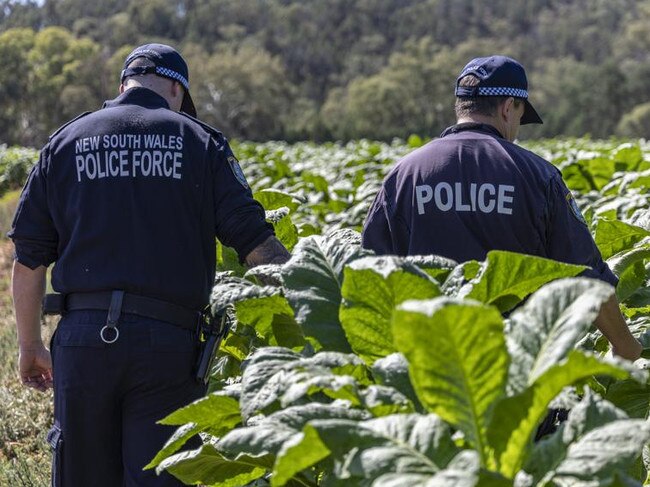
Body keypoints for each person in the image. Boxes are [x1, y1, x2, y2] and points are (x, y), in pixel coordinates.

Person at [9, 43, 291, 486]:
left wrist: (29, 347)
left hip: (83, 343)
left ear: (123, 85)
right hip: (168, 348)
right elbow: (257, 244)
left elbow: (27, 261)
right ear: (176, 91)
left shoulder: (65, 142)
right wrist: (304, 309)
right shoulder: (201, 142)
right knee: (161, 476)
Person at [362, 54, 642, 361]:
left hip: (429, 369)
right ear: (508, 108)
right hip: (516, 371)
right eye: (521, 117)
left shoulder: (402, 175)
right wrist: (624, 344)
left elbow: (369, 275)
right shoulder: (538, 176)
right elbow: (584, 272)